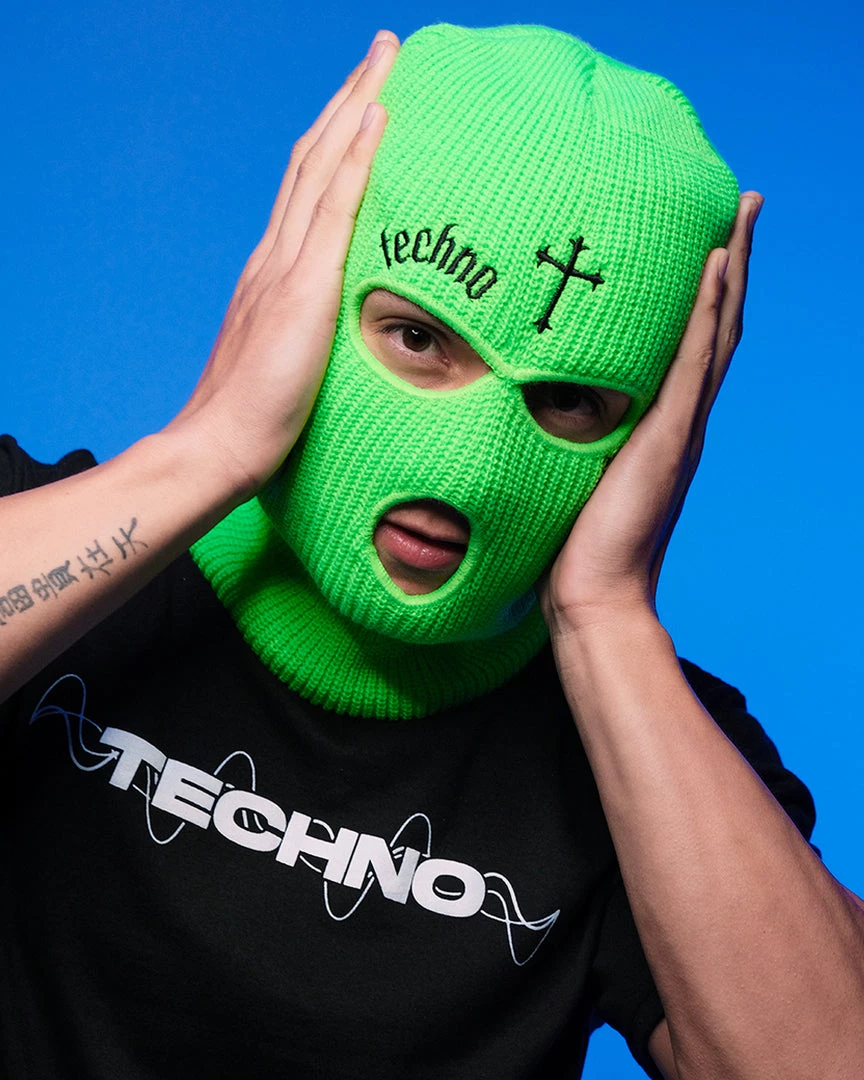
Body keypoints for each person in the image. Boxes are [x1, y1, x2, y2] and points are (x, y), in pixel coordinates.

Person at [1, 23, 862, 1080]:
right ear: (310, 291)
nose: (472, 472)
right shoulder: (51, 537)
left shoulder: (652, 753)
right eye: (418, 337)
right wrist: (207, 449)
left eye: (568, 402)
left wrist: (607, 621)